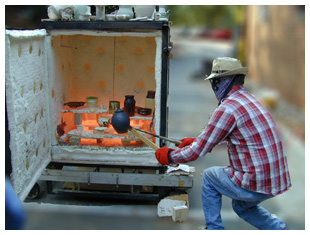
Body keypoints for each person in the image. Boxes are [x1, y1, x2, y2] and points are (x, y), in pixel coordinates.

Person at [155, 57, 291, 230]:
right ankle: (279, 229)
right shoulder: (251, 99)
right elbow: (231, 136)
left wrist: (169, 156)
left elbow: (196, 152)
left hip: (258, 180)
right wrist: (197, 141)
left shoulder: (228, 108)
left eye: (216, 81)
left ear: (224, 81)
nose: (214, 87)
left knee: (211, 176)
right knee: (241, 207)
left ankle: (214, 229)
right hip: (275, 179)